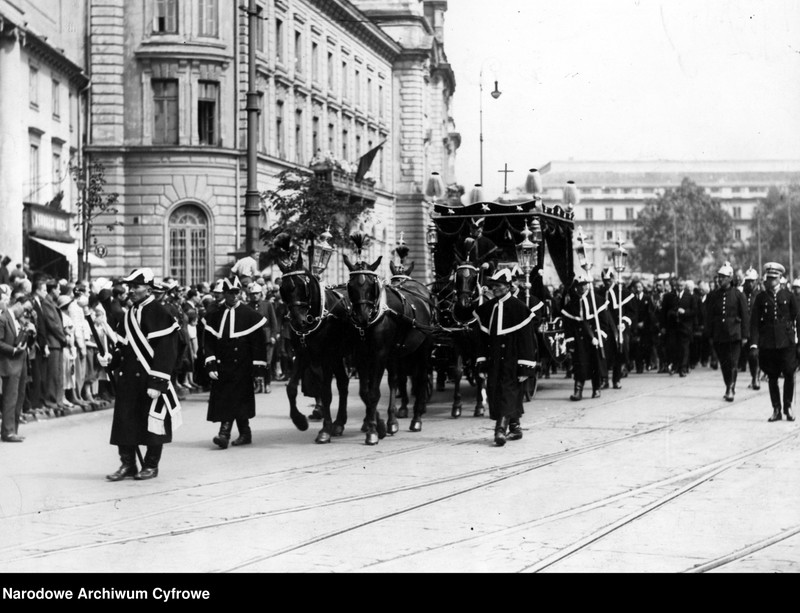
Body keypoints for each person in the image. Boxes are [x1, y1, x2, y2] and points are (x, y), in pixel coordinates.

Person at [99, 268, 183, 481]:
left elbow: (167, 351)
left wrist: (158, 381)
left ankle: (151, 465)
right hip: (129, 379)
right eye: (130, 287)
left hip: (150, 378)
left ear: (148, 288)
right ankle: (128, 464)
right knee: (125, 422)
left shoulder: (161, 313)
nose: (131, 291)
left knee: (153, 423)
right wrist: (111, 359)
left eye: (135, 287)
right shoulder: (129, 315)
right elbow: (125, 347)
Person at [474, 268, 538, 446]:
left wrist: (525, 367)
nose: (494, 288)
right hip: (494, 360)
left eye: (498, 285)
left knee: (508, 392)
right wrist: (482, 363)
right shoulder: (487, 309)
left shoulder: (520, 309)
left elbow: (527, 341)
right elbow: (482, 340)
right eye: (493, 285)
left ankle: (500, 429)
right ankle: (515, 426)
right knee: (495, 391)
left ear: (508, 287)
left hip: (513, 359)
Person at [203, 276, 268, 448]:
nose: (233, 296)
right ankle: (244, 432)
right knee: (229, 398)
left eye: (236, 292)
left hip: (243, 365)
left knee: (237, 398)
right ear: (224, 294)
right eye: (230, 293)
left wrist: (259, 369)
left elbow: (258, 344)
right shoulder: (215, 316)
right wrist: (210, 363)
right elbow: (208, 342)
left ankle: (224, 433)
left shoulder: (250, 315)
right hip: (223, 365)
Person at [749, 262, 799, 422]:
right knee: (772, 376)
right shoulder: (760, 298)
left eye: (774, 277)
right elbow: (755, 323)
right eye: (769, 278)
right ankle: (776, 409)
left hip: (787, 342)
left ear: (780, 278)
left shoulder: (789, 296)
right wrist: (754, 344)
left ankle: (788, 406)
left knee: (790, 373)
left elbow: (797, 319)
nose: (771, 281)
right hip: (768, 343)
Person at [704, 262, 749, 402]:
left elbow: (745, 316)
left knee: (733, 362)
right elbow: (709, 316)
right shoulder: (713, 296)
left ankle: (730, 389)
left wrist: (745, 335)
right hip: (719, 334)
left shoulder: (738, 294)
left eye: (723, 277)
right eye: (719, 277)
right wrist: (709, 334)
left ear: (730, 278)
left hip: (734, 334)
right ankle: (729, 386)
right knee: (724, 364)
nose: (720, 279)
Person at [562, 273, 609, 401]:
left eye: (584, 285)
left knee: (595, 363)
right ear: (575, 287)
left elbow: (604, 322)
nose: (582, 288)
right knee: (579, 364)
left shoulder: (597, 301)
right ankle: (578, 390)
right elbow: (568, 326)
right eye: (579, 286)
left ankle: (596, 388)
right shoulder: (571, 305)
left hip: (593, 336)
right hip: (579, 338)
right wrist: (570, 342)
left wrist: (598, 336)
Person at [0, 294, 35, 442]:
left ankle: (13, 429)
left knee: (19, 397)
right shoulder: (3, 318)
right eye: (25, 309)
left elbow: (23, 340)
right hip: (9, 363)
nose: (26, 313)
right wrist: (14, 350)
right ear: (18, 303)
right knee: (10, 398)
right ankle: (7, 432)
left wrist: (30, 333)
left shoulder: (20, 320)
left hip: (21, 363)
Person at [600, 268, 636, 389]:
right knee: (603, 354)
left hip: (619, 328)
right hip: (604, 328)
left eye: (609, 280)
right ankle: (604, 379)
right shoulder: (600, 292)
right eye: (604, 280)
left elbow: (632, 312)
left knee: (618, 354)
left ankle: (616, 379)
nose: (607, 283)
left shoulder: (623, 292)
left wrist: (624, 322)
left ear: (613, 279)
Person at [247, 283, 279, 394]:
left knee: (267, 363)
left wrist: (273, 335)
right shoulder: (247, 306)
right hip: (253, 339)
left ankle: (267, 384)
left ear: (261, 294)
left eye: (256, 293)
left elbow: (274, 322)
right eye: (252, 294)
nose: (254, 296)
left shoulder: (267, 305)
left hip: (266, 337)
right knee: (255, 362)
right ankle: (258, 384)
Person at [662, 277, 695, 377]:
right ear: (675, 286)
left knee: (684, 348)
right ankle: (675, 366)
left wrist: (685, 312)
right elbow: (663, 312)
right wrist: (663, 325)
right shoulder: (668, 296)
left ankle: (683, 368)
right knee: (673, 347)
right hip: (672, 326)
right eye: (678, 286)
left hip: (685, 326)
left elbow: (694, 311)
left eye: (682, 286)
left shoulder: (690, 296)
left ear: (685, 286)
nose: (680, 287)